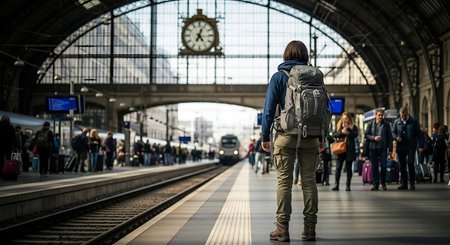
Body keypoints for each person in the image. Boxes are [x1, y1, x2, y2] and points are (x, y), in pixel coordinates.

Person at [261, 40, 319, 241]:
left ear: (286, 55)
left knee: (284, 182)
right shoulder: (315, 76)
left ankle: (282, 228)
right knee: (309, 182)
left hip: (285, 135)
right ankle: (310, 228)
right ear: (305, 56)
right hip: (310, 136)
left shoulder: (279, 77)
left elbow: (268, 110)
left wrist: (264, 136)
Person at [391, 107, 424, 190]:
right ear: (400, 114)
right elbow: (393, 132)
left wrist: (420, 146)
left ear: (407, 113)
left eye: (404, 115)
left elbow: (419, 134)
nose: (403, 117)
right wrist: (396, 137)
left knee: (410, 163)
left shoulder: (413, 121)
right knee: (402, 165)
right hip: (401, 146)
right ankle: (404, 184)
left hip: (411, 146)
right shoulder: (396, 122)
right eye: (402, 115)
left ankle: (412, 183)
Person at [364, 109, 393, 191]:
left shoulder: (386, 125)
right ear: (375, 115)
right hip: (373, 148)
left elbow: (390, 137)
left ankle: (383, 183)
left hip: (383, 148)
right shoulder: (371, 124)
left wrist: (390, 149)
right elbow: (366, 135)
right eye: (379, 115)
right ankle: (375, 184)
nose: (380, 117)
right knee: (374, 167)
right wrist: (374, 138)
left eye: (381, 115)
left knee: (384, 166)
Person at [332, 112, 358, 191]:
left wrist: (348, 130)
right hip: (340, 149)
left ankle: (348, 185)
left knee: (348, 168)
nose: (344, 120)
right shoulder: (339, 126)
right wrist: (341, 132)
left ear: (349, 119)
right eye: (343, 118)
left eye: (346, 118)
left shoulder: (353, 127)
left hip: (349, 149)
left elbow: (355, 135)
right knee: (338, 168)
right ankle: (336, 185)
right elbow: (334, 134)